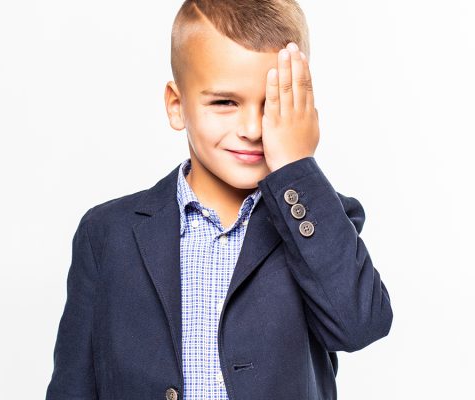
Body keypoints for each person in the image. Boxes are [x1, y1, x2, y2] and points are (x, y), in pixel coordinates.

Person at [46, 1, 393, 399]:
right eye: (225, 102)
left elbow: (360, 325)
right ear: (177, 106)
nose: (250, 128)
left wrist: (296, 166)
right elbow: (73, 387)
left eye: (272, 105)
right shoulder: (107, 233)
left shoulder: (315, 218)